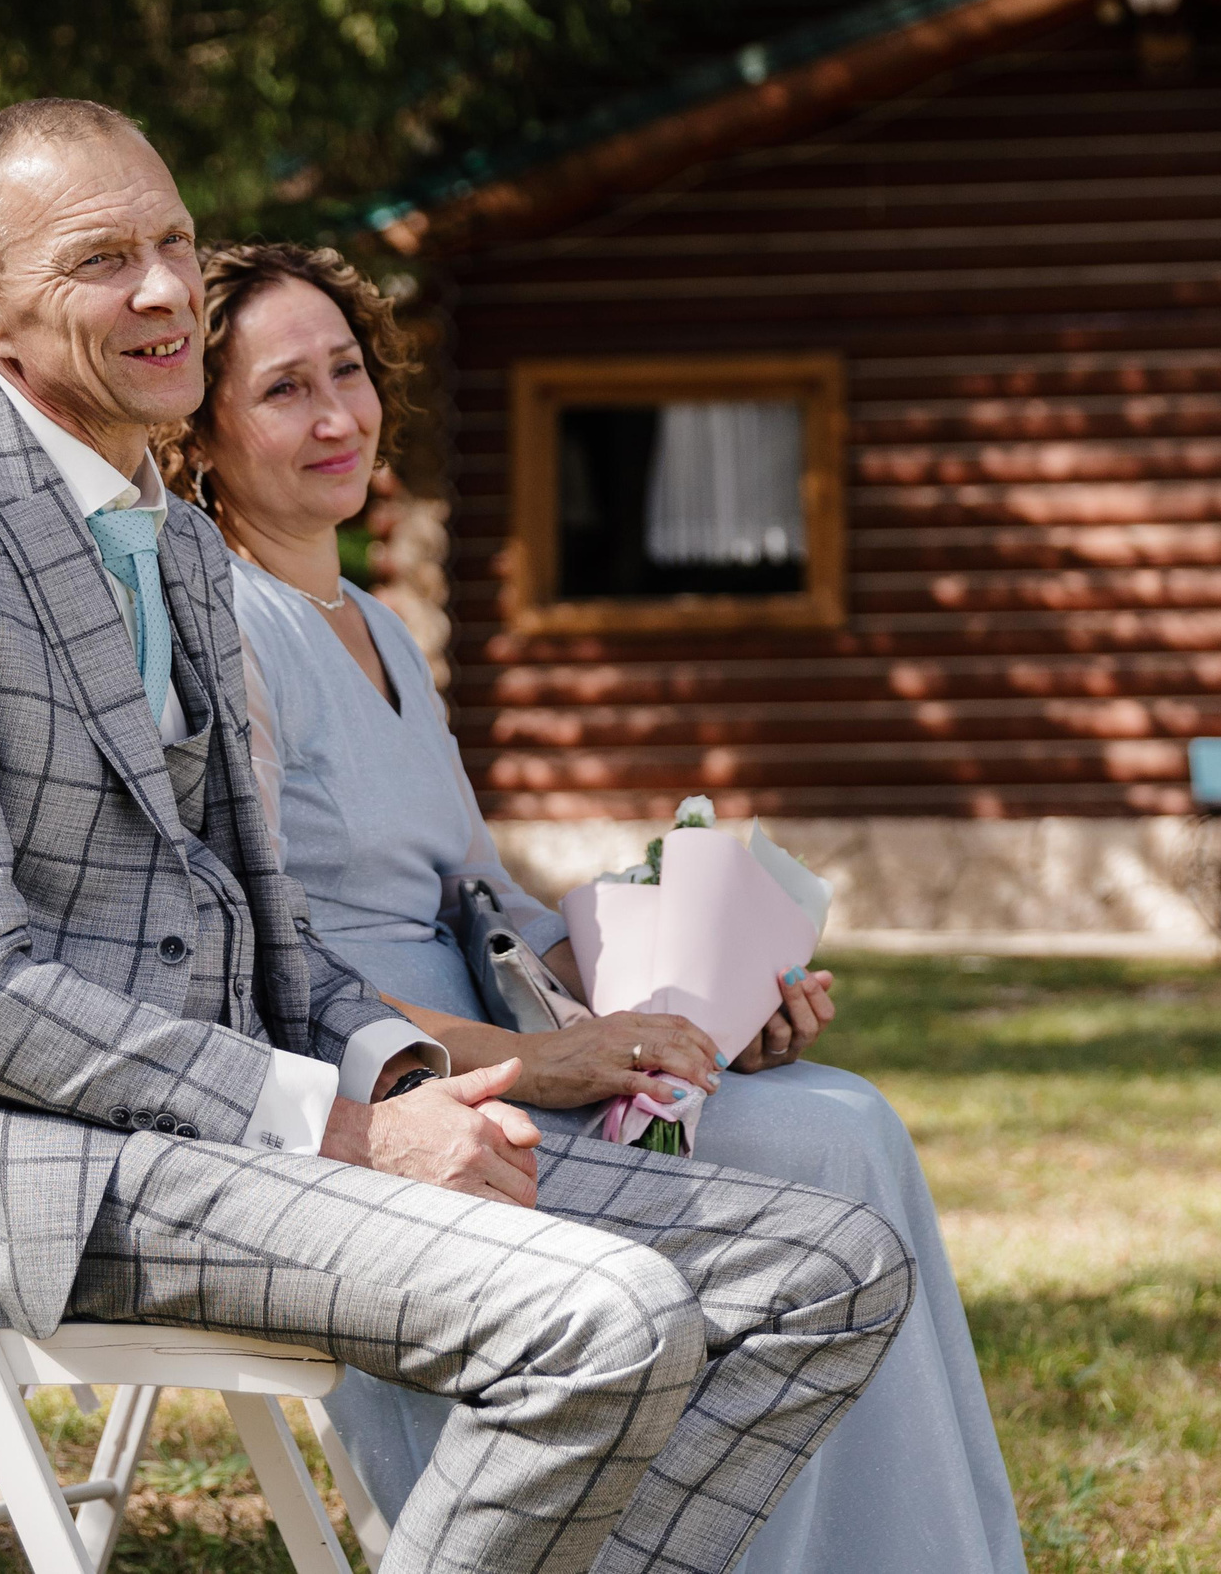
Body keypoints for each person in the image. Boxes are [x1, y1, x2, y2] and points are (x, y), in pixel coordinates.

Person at [0, 97, 915, 1574]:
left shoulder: (176, 536)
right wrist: (351, 1126)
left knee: (829, 1266)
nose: (168, 289)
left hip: (243, 1138)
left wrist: (425, 1077)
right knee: (605, 1313)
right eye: (103, 259)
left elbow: (263, 928)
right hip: (17, 1169)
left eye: (173, 241)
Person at [161, 240, 1026, 1574]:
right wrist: (534, 1056)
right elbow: (273, 967)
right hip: (415, 1091)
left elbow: (486, 893)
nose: (337, 414)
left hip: (520, 1041)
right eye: (284, 389)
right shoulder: (226, 625)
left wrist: (703, 991)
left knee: (845, 1114)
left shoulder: (380, 625)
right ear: (203, 433)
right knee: (839, 1145)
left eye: (348, 371)